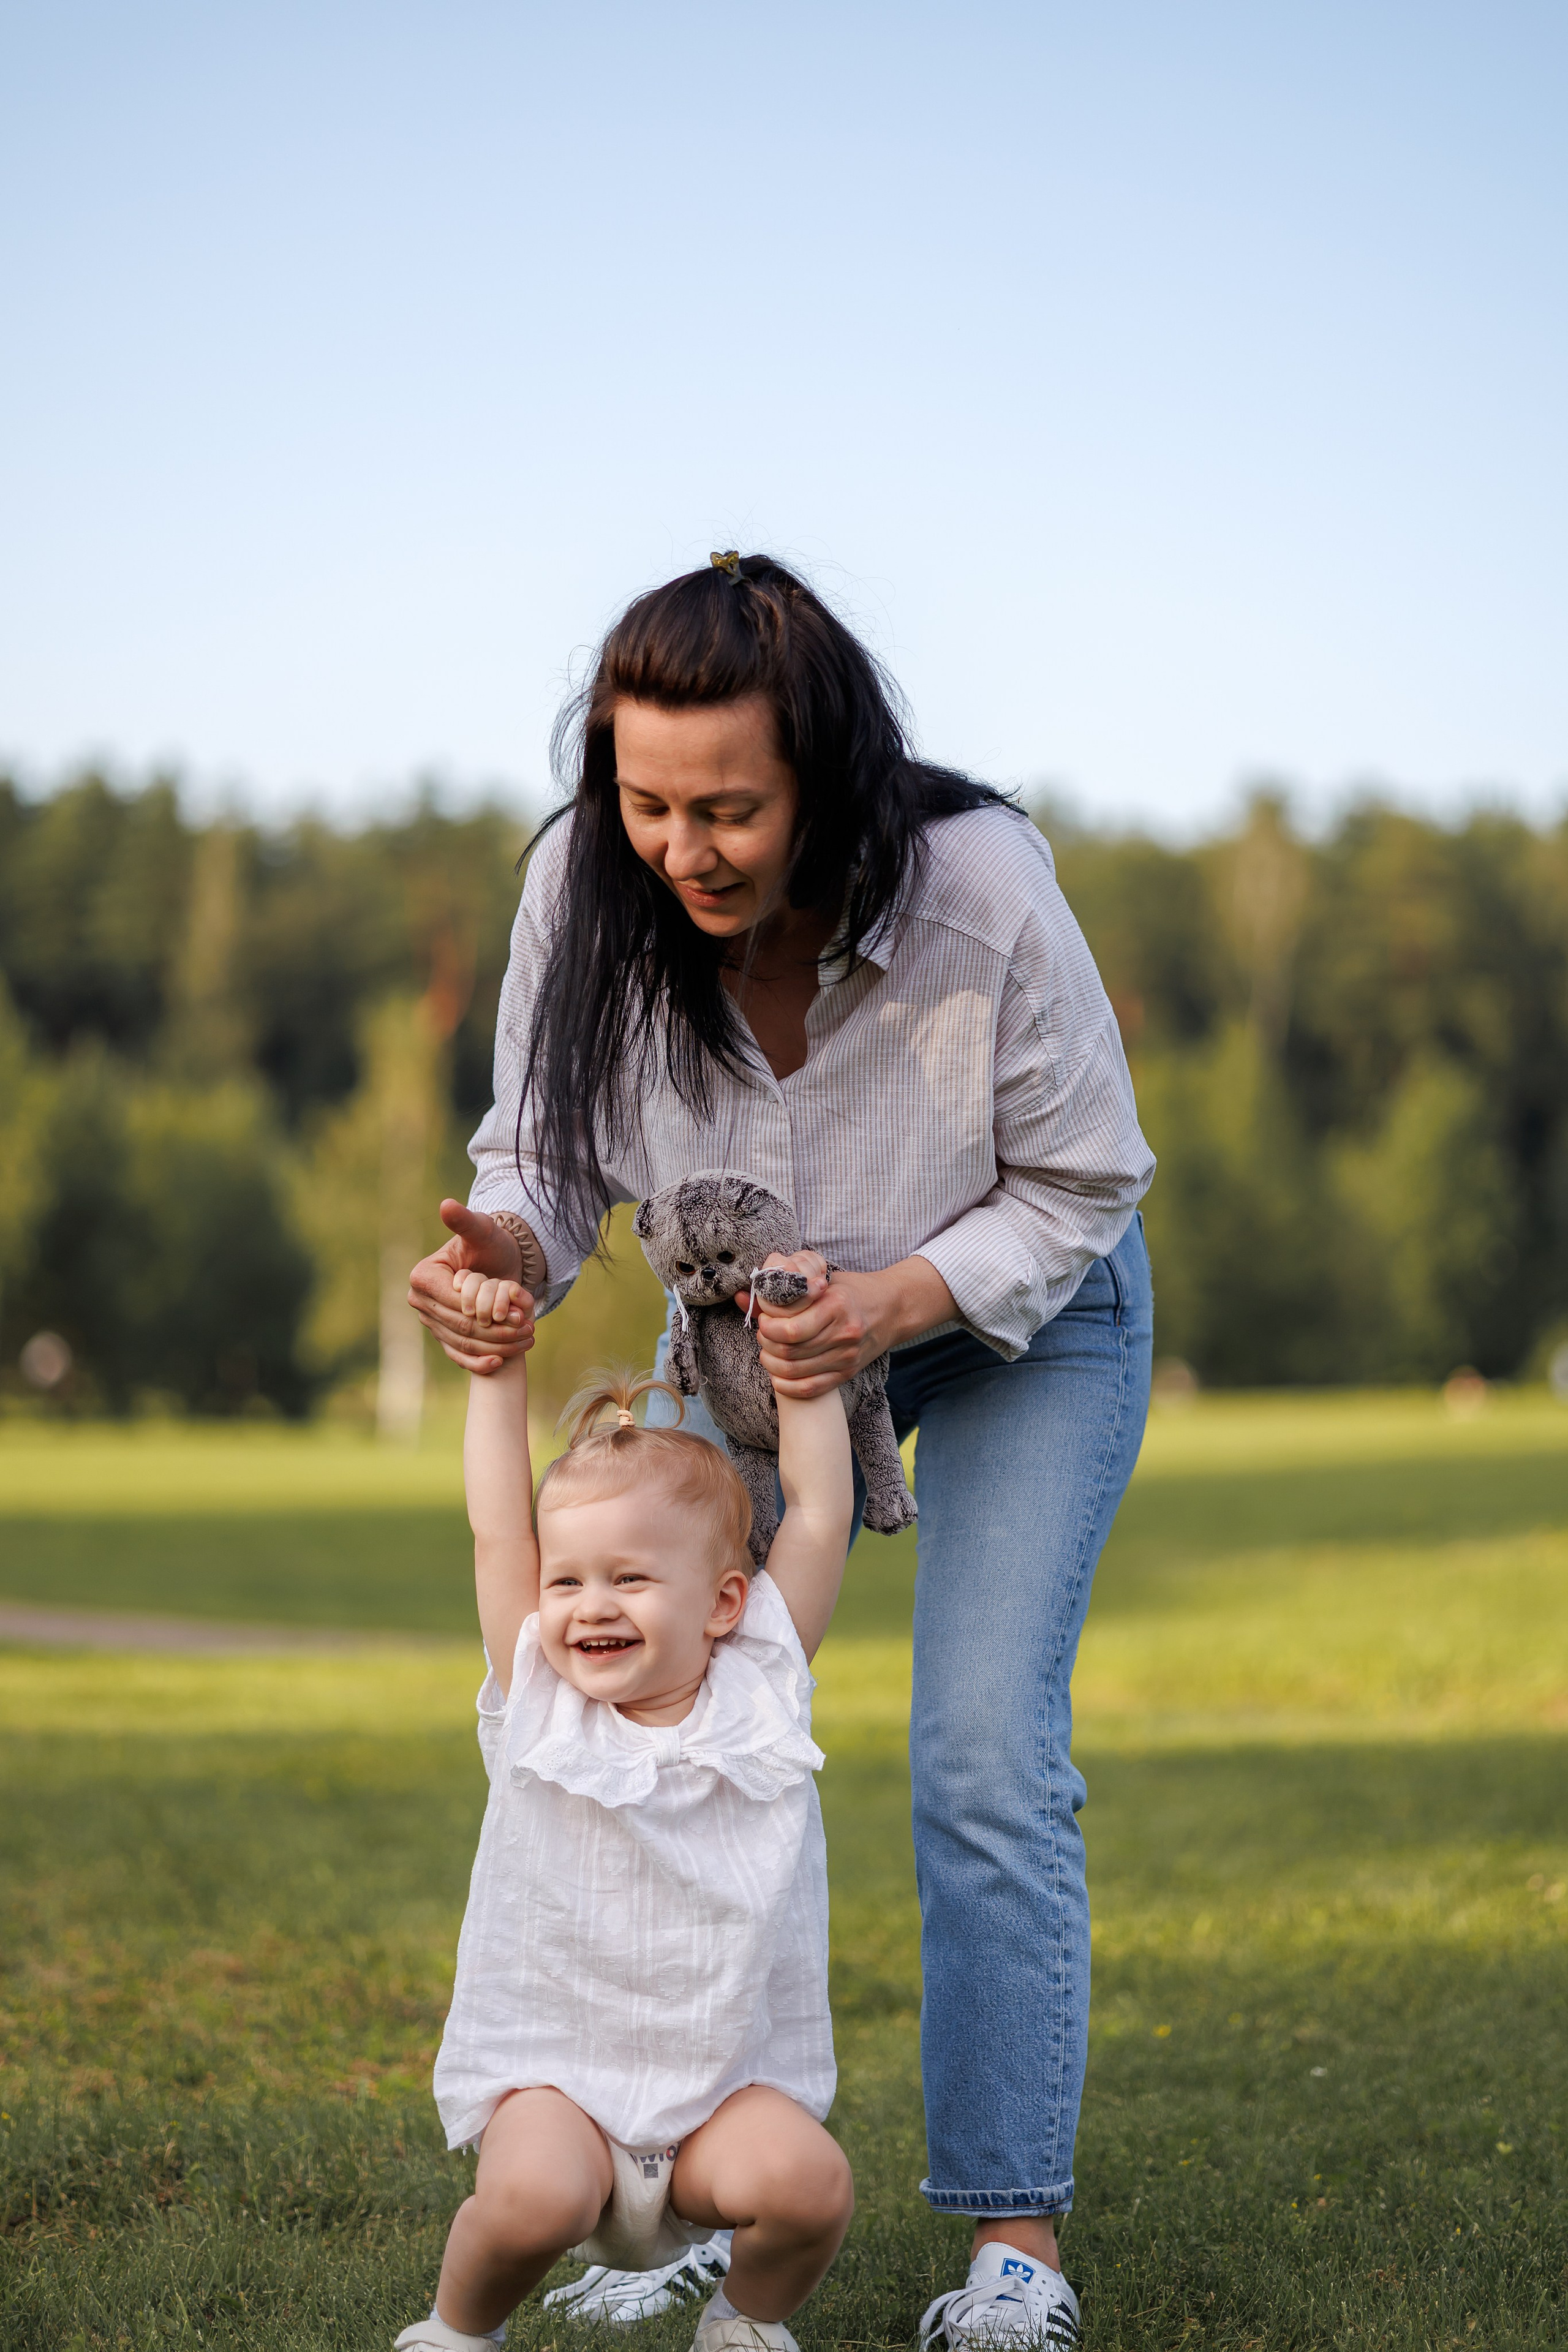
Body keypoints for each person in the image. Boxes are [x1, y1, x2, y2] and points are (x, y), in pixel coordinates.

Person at [409, 554, 1156, 2349]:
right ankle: (674, 2176)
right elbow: (546, 1158)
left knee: (980, 1751)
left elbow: (1086, 1177)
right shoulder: (583, 887)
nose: (686, 847)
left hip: (1017, 1316)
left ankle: (1014, 2255)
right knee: (641, 1717)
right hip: (745, 1339)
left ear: (820, 767)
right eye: (649, 802)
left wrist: (898, 1299)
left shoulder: (980, 893)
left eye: (729, 806)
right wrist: (495, 1262)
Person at [394, 1284, 858, 2352]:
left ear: (724, 1606)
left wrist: (808, 1381)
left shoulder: (762, 1693)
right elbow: (495, 1524)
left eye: (631, 1578)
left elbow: (821, 1514)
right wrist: (497, 1371)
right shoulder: (542, 1703)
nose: (588, 1606)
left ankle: (743, 2325)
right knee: (528, 2206)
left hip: (719, 2105)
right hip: (562, 2090)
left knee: (811, 2187)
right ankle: (458, 2333)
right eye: (569, 1581)